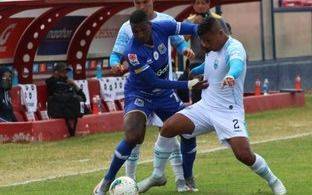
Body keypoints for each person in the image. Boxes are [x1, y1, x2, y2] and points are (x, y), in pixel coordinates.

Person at [138, 17, 287, 195]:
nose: (204, 45)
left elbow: (236, 63)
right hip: (206, 106)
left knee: (244, 155)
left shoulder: (235, 47)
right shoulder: (212, 47)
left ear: (221, 34)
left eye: (207, 41)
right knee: (169, 127)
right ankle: (157, 175)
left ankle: (274, 181)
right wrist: (196, 71)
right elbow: (211, 65)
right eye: (202, 41)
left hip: (228, 111)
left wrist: (232, 75)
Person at [93, 10, 207, 195]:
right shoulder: (133, 53)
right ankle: (107, 181)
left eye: (141, 30)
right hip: (140, 93)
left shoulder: (164, 26)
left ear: (150, 26)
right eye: (134, 31)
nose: (138, 35)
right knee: (133, 136)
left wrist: (209, 35)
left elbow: (193, 29)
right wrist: (188, 83)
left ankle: (187, 179)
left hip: (164, 95)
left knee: (188, 131)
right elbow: (154, 82)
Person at [46, 62, 87, 137]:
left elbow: (83, 98)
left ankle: (73, 130)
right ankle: (72, 131)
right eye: (63, 72)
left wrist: (74, 84)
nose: (65, 74)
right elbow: (56, 94)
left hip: (69, 106)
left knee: (79, 102)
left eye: (66, 72)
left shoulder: (67, 81)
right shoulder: (51, 81)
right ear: (56, 72)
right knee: (73, 104)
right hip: (58, 107)